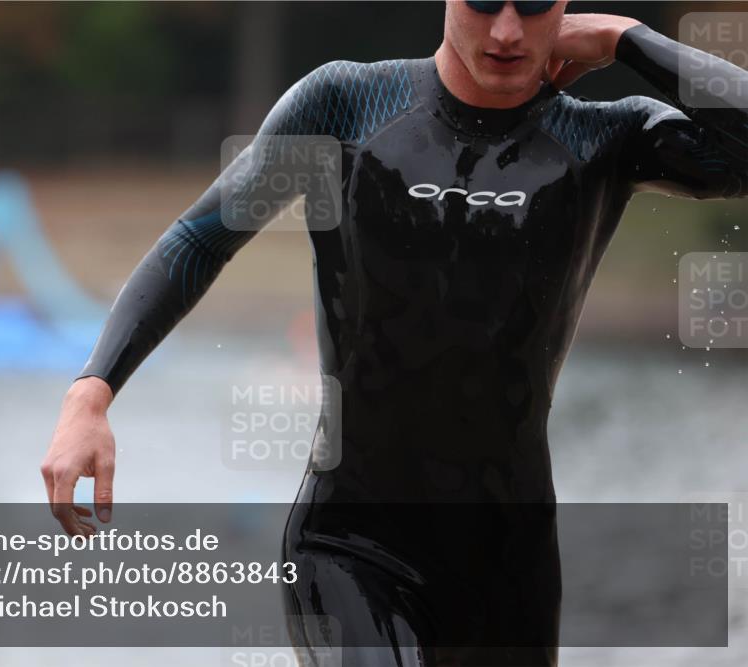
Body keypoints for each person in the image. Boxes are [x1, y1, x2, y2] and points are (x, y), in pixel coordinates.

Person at [43, 1, 747, 664]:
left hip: (510, 567)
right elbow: (200, 240)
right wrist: (92, 391)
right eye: (484, 3)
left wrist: (626, 38)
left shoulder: (601, 138)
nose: (506, 33)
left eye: (531, 6)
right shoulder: (345, 105)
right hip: (350, 545)